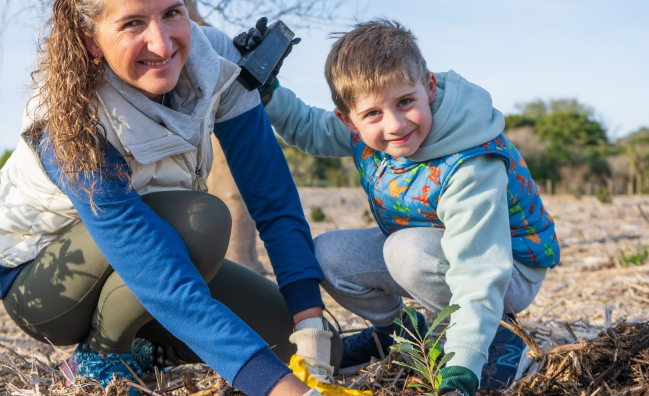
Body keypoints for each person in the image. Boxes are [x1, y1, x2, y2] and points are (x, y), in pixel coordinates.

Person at [0, 1, 342, 395]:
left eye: (172, 12)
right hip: (47, 285)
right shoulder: (64, 114)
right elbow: (149, 263)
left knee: (305, 342)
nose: (162, 42)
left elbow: (271, 197)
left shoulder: (219, 63)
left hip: (157, 251)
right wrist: (279, 390)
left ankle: (153, 348)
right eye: (133, 23)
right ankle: (102, 354)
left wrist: (310, 329)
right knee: (203, 222)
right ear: (90, 38)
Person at [229, 19, 561, 396]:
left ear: (430, 87)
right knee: (327, 254)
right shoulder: (365, 130)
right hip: (429, 252)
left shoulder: (471, 165)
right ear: (348, 120)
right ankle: (405, 337)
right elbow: (307, 127)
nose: (396, 124)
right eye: (372, 114)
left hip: (506, 268)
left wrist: (463, 364)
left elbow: (480, 271)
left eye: (406, 102)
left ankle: (496, 342)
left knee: (405, 251)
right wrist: (268, 89)